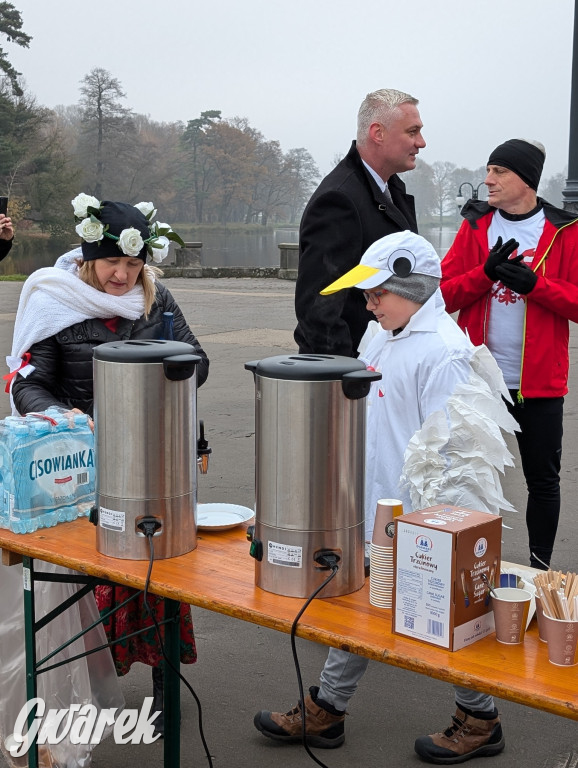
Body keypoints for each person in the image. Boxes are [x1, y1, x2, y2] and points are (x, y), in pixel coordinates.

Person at [254, 230, 517, 764]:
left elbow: (455, 451)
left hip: (417, 515)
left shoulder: (444, 351)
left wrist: (438, 530)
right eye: (367, 293)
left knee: (441, 614)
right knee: (356, 607)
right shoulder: (379, 336)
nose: (368, 303)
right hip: (370, 503)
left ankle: (482, 718)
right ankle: (327, 707)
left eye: (378, 293)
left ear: (415, 287)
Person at [6, 194, 209, 738]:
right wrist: (61, 416)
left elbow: (197, 360)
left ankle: (165, 680)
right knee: (84, 582)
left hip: (153, 460)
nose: (122, 275)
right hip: (80, 464)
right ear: (90, 256)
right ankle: (82, 686)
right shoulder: (55, 299)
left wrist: (167, 377)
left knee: (159, 571)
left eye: (133, 265)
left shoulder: (157, 300)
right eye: (112, 264)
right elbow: (26, 380)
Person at [440, 138, 578, 570]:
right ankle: (465, 573)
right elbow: (441, 297)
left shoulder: (565, 231)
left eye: (499, 171)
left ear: (527, 180)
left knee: (543, 481)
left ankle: (541, 573)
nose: (488, 180)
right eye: (488, 170)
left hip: (539, 383)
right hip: (477, 381)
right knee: (466, 476)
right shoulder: (476, 227)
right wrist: (483, 275)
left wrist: (536, 287)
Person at [294, 88, 425, 357]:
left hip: (385, 363)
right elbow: (320, 309)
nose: (421, 142)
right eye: (412, 132)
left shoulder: (390, 189)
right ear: (378, 133)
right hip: (358, 372)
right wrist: (348, 377)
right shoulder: (338, 200)